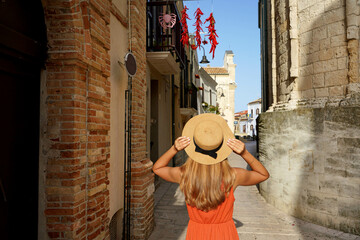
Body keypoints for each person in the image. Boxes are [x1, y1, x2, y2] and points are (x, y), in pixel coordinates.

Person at [153, 113, 270, 240]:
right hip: (225, 234)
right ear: (221, 147)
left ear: (193, 146)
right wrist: (244, 153)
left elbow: (157, 168)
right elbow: (263, 174)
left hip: (196, 233)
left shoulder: (184, 174)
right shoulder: (232, 175)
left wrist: (174, 149)